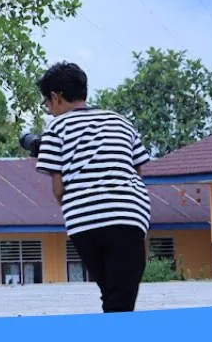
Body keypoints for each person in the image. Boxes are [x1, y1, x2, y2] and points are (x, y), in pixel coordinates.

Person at [33, 62, 152, 313]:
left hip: (86, 223)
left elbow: (58, 187)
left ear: (56, 97)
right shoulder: (121, 121)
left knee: (111, 293)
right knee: (121, 297)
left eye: (46, 102)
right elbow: (139, 170)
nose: (48, 109)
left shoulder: (56, 127)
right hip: (129, 216)